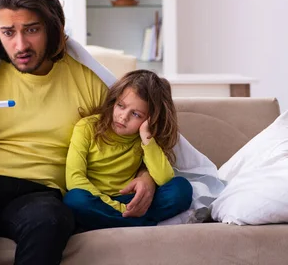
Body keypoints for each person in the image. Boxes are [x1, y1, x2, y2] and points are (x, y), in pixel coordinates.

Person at [0, 0, 160, 265]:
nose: (20, 44)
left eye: (32, 30)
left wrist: (146, 175)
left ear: (52, 28)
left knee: (51, 221)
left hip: (40, 192)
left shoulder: (87, 81)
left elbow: (130, 134)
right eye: (8, 32)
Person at [64, 70, 193, 231]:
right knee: (74, 199)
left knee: (181, 189)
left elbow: (164, 178)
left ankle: (114, 222)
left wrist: (146, 136)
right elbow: (74, 178)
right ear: (113, 101)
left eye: (136, 114)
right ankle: (139, 223)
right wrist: (121, 209)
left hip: (132, 200)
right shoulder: (87, 127)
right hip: (95, 200)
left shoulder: (143, 138)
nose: (123, 117)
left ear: (150, 119)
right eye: (120, 106)